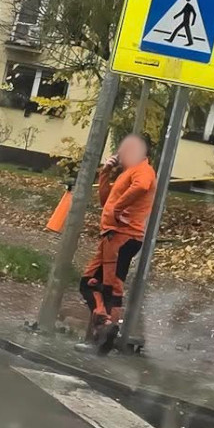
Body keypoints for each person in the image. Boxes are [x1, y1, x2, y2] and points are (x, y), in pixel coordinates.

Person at [77, 134, 157, 354]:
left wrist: (118, 209)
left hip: (124, 236)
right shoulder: (127, 173)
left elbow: (141, 188)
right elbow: (106, 202)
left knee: (111, 287)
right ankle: (103, 325)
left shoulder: (143, 170)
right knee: (88, 283)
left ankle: (104, 340)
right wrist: (105, 173)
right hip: (112, 235)